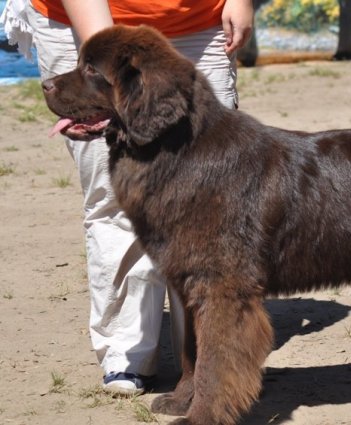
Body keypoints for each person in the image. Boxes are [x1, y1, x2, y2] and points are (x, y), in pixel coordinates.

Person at [2, 0, 253, 396]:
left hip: (197, 21)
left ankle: (206, 363)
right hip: (84, 18)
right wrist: (102, 68)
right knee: (116, 196)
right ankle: (128, 351)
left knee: (208, 201)